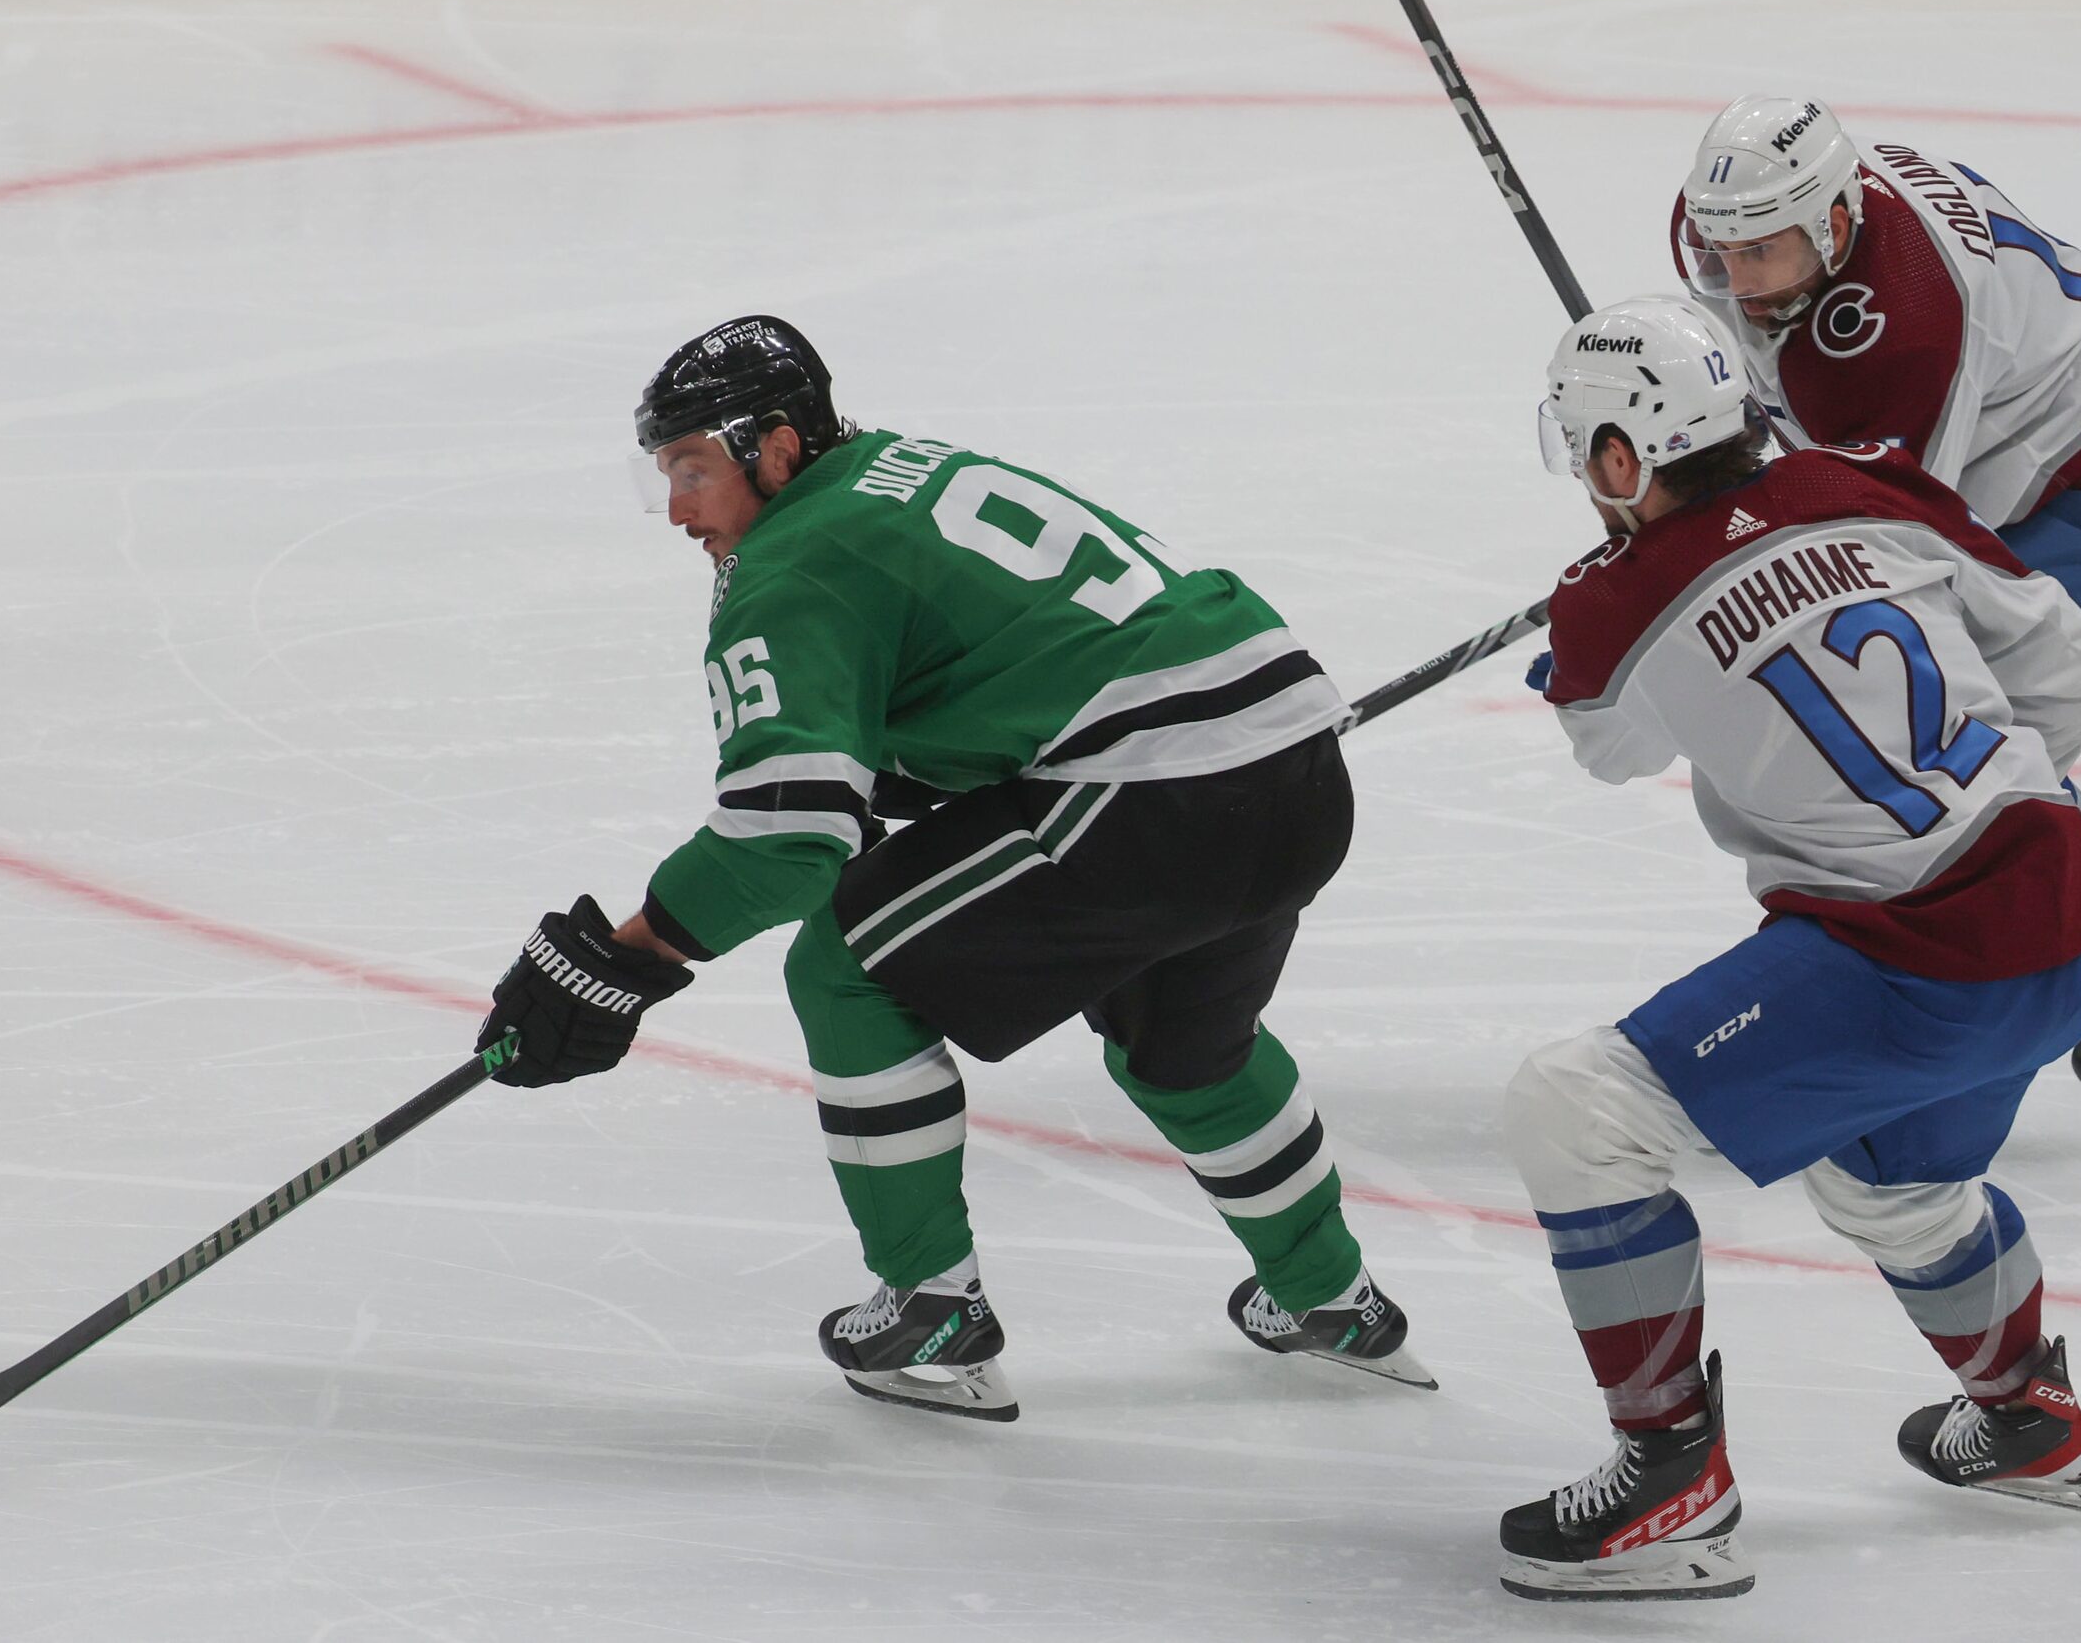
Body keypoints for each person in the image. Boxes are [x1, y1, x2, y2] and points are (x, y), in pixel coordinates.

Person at [468, 314, 1432, 1420]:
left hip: (1152, 792)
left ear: (775, 449)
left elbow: (787, 843)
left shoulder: (787, 567)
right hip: (1290, 768)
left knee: (846, 967)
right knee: (1184, 1046)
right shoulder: (899, 468)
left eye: (691, 469)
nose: (679, 510)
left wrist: (627, 958)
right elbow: (978, 682)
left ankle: (931, 1309)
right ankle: (1331, 1297)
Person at [1498, 296, 2081, 1603]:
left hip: (1911, 955)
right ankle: (2028, 1419)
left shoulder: (1615, 601)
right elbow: (2073, 676)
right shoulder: (1865, 484)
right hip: (2069, 923)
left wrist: (1594, 612)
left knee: (1572, 1108)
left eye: (1588, 458)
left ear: (1624, 459)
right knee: (1889, 1189)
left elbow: (1611, 744)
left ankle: (1671, 1478)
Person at [1669, 96, 2081, 1116]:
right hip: (1961, 417)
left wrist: (1707, 543)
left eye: (1763, 255)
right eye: (1720, 251)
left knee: (1935, 729)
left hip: (2075, 465)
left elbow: (1878, 535)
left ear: (1833, 224)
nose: (1735, 284)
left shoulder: (1907, 331)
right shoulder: (1739, 223)